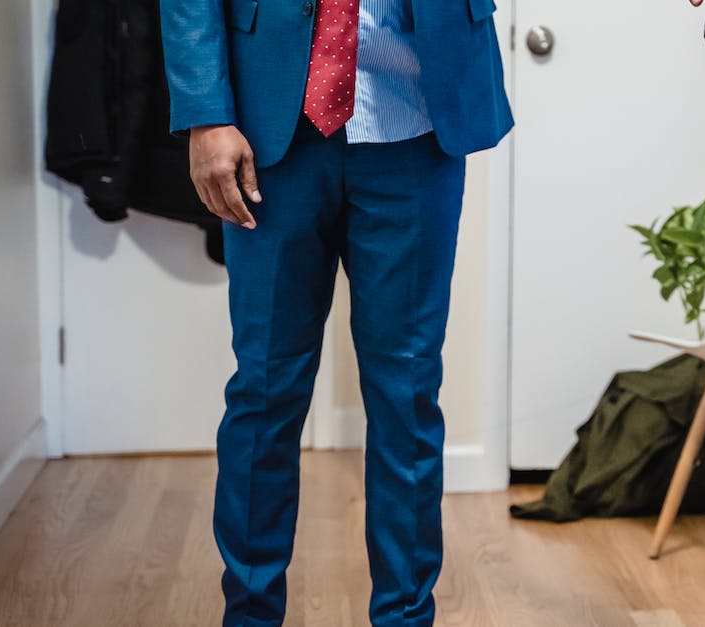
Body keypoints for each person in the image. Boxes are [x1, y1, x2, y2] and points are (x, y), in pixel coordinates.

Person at [158, 0, 513, 624]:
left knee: (407, 396)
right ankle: (249, 616)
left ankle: (405, 618)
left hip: (418, 124)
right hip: (273, 130)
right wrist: (205, 113)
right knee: (265, 390)